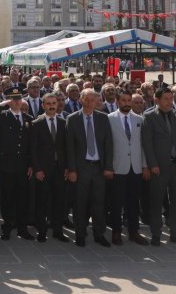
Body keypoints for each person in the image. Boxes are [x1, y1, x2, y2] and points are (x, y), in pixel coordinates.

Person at [142, 87, 176, 246]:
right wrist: (152, 164)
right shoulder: (149, 117)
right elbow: (147, 143)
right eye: (166, 99)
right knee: (157, 201)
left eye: (171, 99)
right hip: (159, 167)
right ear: (156, 100)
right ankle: (156, 233)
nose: (169, 102)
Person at [65, 88, 113, 247]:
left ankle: (99, 234)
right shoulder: (72, 119)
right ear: (82, 100)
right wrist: (72, 169)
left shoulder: (103, 118)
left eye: (95, 99)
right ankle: (80, 234)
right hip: (81, 167)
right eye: (90, 99)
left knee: (99, 202)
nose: (93, 102)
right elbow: (70, 147)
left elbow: (108, 144)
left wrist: (108, 167)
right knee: (80, 203)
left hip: (98, 168)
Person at [0, 87, 34, 241]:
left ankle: (22, 228)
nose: (16, 102)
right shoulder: (2, 116)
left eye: (19, 98)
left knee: (23, 198)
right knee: (7, 198)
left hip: (23, 165)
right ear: (8, 100)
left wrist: (31, 164)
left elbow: (31, 145)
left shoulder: (28, 119)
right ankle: (7, 227)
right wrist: (0, 105)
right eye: (13, 99)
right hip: (7, 164)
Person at [107, 91, 149, 246]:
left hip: (136, 167)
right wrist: (108, 167)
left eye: (128, 100)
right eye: (123, 100)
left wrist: (145, 165)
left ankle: (133, 231)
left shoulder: (139, 119)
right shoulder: (109, 119)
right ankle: (116, 232)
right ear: (117, 101)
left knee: (133, 202)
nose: (126, 103)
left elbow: (143, 144)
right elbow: (108, 145)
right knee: (117, 202)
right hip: (117, 167)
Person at [29, 93, 69, 243]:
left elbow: (66, 148)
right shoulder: (36, 123)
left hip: (60, 169)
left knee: (59, 201)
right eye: (48, 103)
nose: (52, 106)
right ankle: (42, 231)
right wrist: (37, 169)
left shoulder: (63, 122)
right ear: (43, 106)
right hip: (43, 170)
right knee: (42, 201)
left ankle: (58, 230)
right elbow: (33, 149)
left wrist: (67, 167)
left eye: (54, 103)